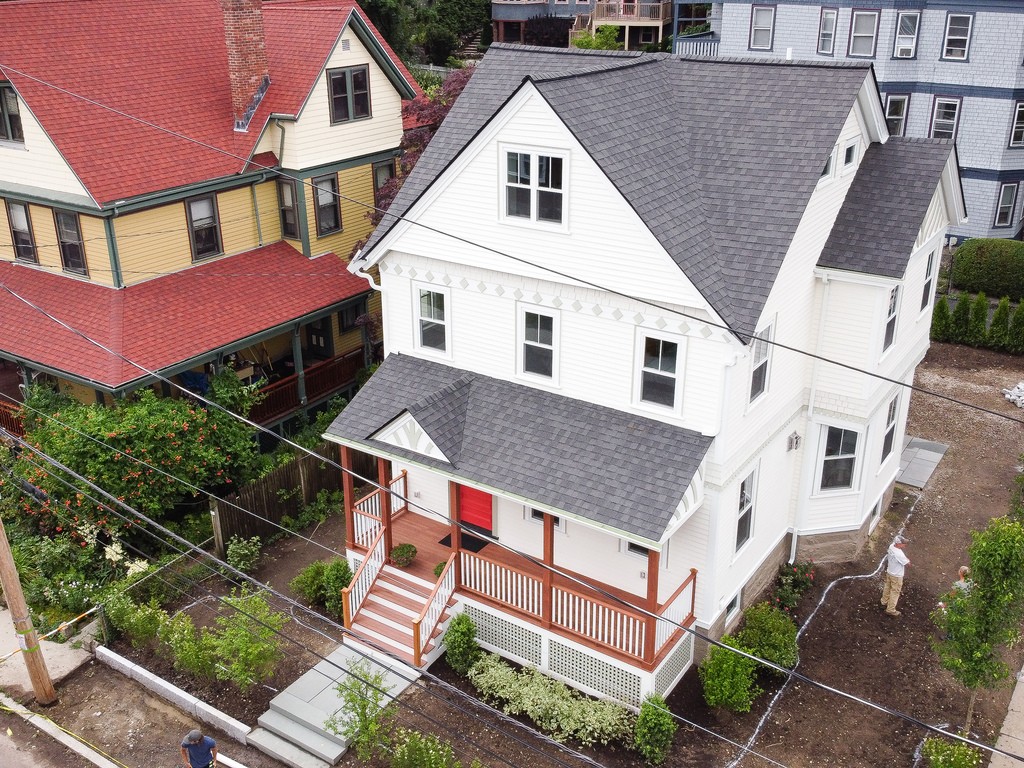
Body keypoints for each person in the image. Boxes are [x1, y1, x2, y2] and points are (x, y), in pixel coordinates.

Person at [880, 537, 910, 617]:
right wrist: (907, 560)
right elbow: (908, 564)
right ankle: (890, 610)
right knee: (895, 591)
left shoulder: (891, 546)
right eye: (903, 543)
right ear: (898, 544)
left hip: (890, 572)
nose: (905, 544)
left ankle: (884, 601)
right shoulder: (899, 554)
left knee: (887, 587)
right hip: (897, 576)